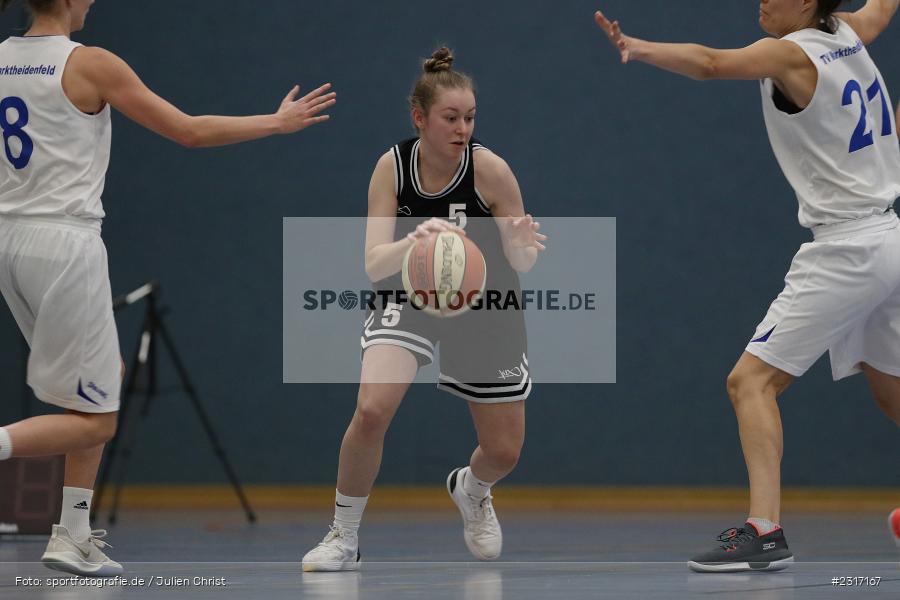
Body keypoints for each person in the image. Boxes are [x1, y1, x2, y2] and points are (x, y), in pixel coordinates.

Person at [0, 0, 335, 577]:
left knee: (99, 389)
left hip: (9, 241)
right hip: (64, 244)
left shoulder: (3, 59)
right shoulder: (90, 63)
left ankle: (72, 533)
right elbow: (188, 131)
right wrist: (276, 123)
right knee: (99, 418)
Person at [595, 0, 900, 573]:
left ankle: (763, 529)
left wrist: (638, 47)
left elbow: (711, 62)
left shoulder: (790, 53)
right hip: (890, 239)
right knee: (890, 394)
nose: (761, 0)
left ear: (807, 2)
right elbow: (881, 10)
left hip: (846, 248)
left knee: (749, 382)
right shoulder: (846, 31)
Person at [300, 47, 546, 572]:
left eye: (471, 118)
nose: (463, 128)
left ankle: (473, 489)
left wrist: (524, 241)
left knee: (504, 452)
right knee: (370, 410)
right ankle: (343, 536)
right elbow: (373, 264)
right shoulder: (392, 168)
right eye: (451, 118)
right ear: (420, 118)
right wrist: (418, 241)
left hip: (483, 306)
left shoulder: (491, 171)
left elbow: (521, 260)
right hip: (408, 296)